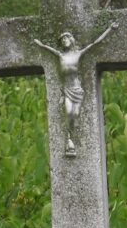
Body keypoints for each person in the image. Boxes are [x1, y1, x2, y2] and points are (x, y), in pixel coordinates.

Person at [34, 23, 119, 156]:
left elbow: (95, 43)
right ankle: (69, 138)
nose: (64, 41)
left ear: (71, 40)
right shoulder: (60, 55)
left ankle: (72, 134)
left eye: (66, 38)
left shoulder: (78, 54)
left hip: (77, 89)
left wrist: (110, 29)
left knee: (76, 113)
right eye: (62, 40)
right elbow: (46, 48)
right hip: (67, 88)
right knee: (68, 112)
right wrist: (39, 44)